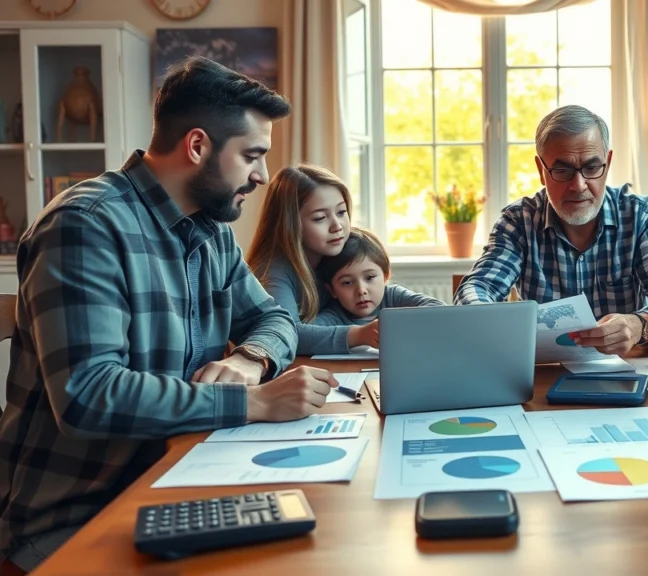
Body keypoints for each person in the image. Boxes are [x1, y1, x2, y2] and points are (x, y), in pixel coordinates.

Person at [0, 56, 339, 573]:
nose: (264, 175)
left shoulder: (211, 232)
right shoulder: (85, 225)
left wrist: (250, 360)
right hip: (71, 521)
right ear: (198, 146)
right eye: (252, 155)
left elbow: (274, 320)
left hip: (174, 476)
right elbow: (88, 396)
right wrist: (251, 404)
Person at [454, 105, 648, 355]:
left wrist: (639, 324)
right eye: (562, 170)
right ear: (541, 171)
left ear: (607, 163)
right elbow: (478, 288)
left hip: (625, 366)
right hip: (545, 372)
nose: (578, 186)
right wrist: (487, 318)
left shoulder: (640, 215)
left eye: (591, 168)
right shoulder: (519, 221)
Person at [246, 164, 361, 355]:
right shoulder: (273, 270)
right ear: (289, 224)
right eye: (320, 218)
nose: (337, 226)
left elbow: (382, 293)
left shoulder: (338, 252)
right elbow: (286, 334)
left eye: (341, 212)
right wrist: (359, 335)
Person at [316, 228, 444, 348]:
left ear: (385, 276)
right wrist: (360, 335)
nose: (361, 290)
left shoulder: (393, 296)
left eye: (370, 277)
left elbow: (439, 309)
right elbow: (304, 338)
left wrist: (399, 324)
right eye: (347, 282)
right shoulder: (333, 315)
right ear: (332, 289)